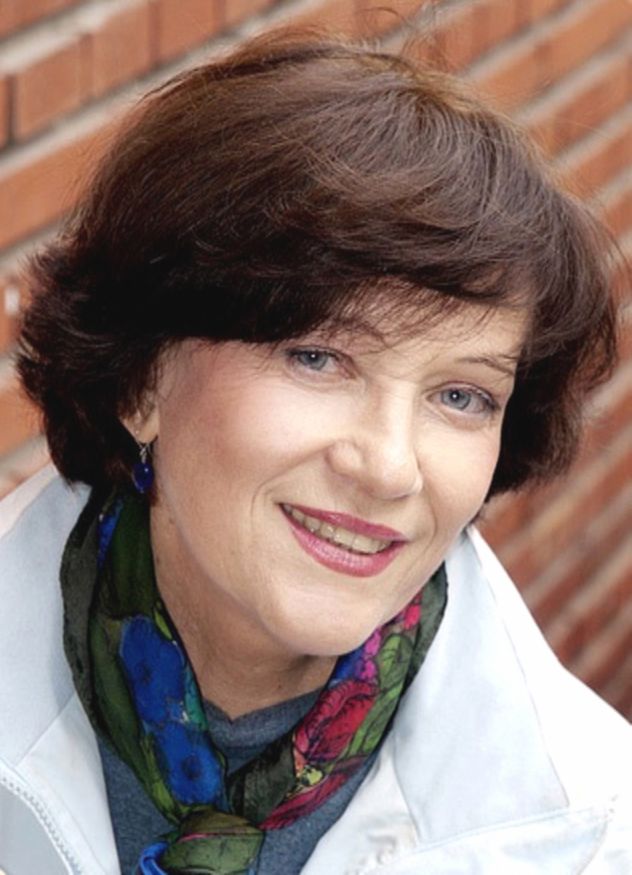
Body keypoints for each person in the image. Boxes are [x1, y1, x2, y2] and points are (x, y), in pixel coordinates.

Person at [0, 28, 630, 875]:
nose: (389, 466)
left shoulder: (592, 832)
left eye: (461, 396)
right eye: (318, 357)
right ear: (142, 379)